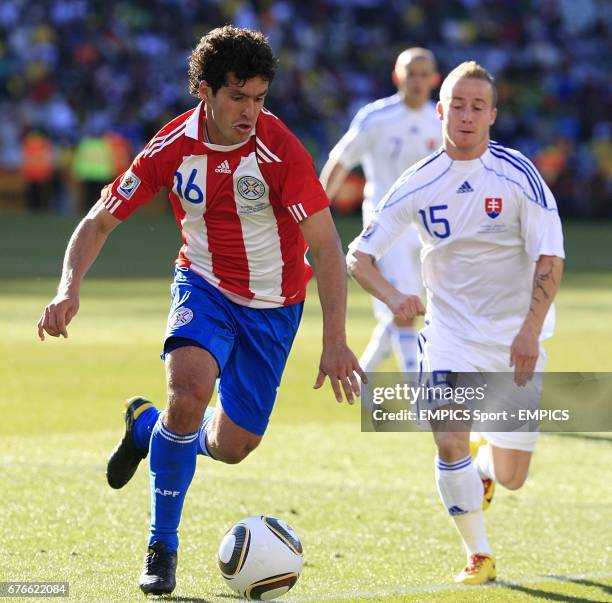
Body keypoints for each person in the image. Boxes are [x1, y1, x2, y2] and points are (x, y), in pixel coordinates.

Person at [37, 26, 363, 596]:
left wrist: (334, 339)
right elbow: (99, 220)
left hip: (274, 306)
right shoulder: (171, 148)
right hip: (204, 286)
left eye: (260, 98)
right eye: (238, 96)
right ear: (205, 91)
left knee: (234, 446)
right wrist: (69, 288)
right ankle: (162, 545)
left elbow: (328, 246)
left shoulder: (280, 151)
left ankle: (145, 428)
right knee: (187, 394)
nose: (250, 111)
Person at [347, 61, 564, 585]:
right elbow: (359, 255)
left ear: (492, 115)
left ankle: (486, 469)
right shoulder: (419, 182)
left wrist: (530, 330)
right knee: (448, 439)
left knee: (511, 478)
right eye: (457, 106)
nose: (466, 116)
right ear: (441, 111)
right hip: (448, 338)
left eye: (477, 107)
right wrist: (394, 295)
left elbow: (550, 258)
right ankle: (478, 554)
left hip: (515, 341)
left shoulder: (518, 176)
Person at [320, 48, 441, 374]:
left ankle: (364, 378)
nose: (416, 81)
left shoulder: (440, 120)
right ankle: (420, 393)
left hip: (429, 226)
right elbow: (340, 162)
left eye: (423, 74)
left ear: (435, 78)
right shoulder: (376, 118)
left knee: (417, 307)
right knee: (403, 307)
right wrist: (316, 214)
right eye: (410, 73)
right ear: (396, 76)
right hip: (387, 226)